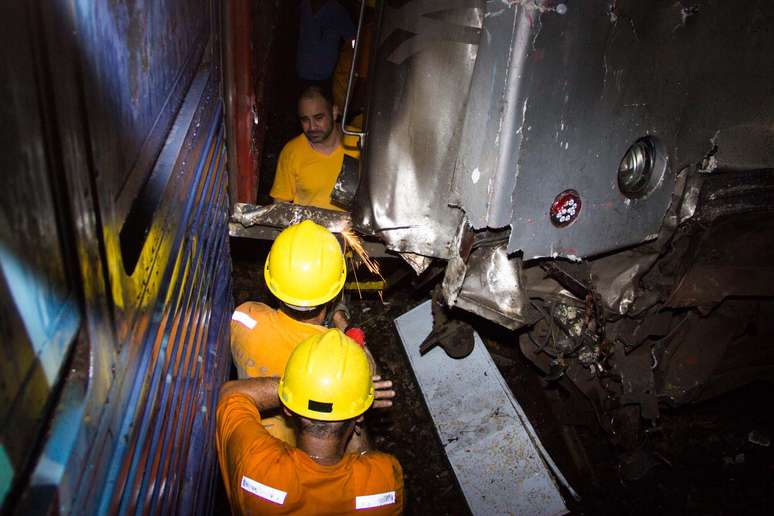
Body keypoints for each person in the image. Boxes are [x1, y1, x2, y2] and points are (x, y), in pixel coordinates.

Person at [217, 329, 404, 514]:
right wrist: (354, 396)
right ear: (360, 415)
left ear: (288, 409)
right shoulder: (386, 480)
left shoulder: (256, 464)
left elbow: (231, 395)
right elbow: (364, 460)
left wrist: (300, 387)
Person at [230, 219, 373, 445]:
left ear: (271, 280)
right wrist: (345, 325)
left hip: (250, 434)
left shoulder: (244, 316)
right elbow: (367, 371)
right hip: (295, 446)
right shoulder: (328, 357)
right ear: (334, 293)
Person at [269, 85, 359, 211]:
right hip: (307, 229)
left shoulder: (359, 142)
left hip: (351, 229)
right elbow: (279, 205)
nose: (312, 127)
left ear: (334, 112)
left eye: (318, 118)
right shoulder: (292, 151)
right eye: (305, 120)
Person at [296, 0, 355, 92]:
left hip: (325, 77)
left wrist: (351, 57)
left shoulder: (337, 11)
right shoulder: (304, 5)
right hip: (303, 73)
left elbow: (352, 39)